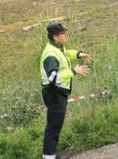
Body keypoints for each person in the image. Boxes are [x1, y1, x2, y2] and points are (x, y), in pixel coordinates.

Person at [39, 23, 92, 159]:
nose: (66, 35)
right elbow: (53, 78)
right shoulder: (51, 55)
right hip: (54, 92)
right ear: (56, 37)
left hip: (58, 92)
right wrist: (73, 71)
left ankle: (50, 155)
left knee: (56, 124)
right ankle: (49, 157)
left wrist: (79, 54)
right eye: (63, 34)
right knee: (54, 127)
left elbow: (66, 55)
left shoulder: (57, 48)